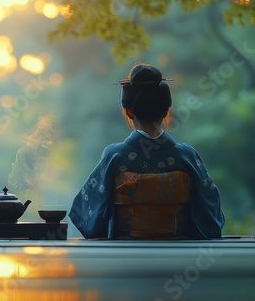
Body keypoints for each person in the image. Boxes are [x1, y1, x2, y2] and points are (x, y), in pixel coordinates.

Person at [68, 63, 225, 239]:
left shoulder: (115, 156)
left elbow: (87, 214)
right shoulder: (186, 156)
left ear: (128, 112)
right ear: (166, 111)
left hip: (124, 257)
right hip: (179, 257)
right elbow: (211, 215)